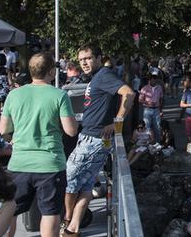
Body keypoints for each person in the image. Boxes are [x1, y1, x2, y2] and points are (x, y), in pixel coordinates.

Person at [0, 52, 78, 237]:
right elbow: (71, 130)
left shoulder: (14, 94)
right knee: (49, 213)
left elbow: (3, 129)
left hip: (19, 163)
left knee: (10, 210)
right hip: (50, 164)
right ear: (51, 72)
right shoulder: (59, 95)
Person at [63, 45, 136, 237]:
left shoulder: (103, 75)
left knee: (69, 181)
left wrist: (117, 122)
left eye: (88, 58)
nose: (84, 63)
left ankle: (67, 219)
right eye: (81, 60)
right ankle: (73, 229)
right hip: (93, 138)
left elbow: (128, 93)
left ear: (98, 58)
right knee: (86, 185)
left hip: (93, 140)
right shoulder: (97, 77)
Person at [138, 73, 164, 143]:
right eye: (150, 80)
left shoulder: (159, 88)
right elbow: (140, 99)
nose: (152, 81)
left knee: (158, 126)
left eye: (154, 80)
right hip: (147, 109)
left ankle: (158, 142)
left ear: (156, 80)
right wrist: (147, 102)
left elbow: (161, 98)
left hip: (156, 109)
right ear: (149, 80)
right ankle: (148, 142)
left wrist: (161, 109)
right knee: (147, 126)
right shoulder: (144, 88)